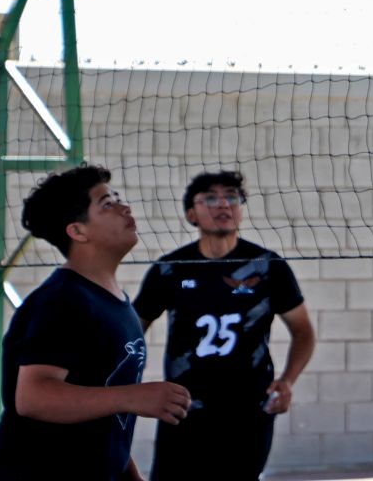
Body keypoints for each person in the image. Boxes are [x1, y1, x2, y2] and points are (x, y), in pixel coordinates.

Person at [0, 164, 191, 481]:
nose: (125, 207)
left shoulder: (114, 301)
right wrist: (133, 396)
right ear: (78, 231)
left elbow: (106, 418)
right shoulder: (62, 300)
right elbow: (33, 397)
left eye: (118, 198)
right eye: (107, 204)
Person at [133, 170, 316, 481]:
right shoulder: (171, 268)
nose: (224, 205)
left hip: (248, 410)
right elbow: (132, 332)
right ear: (192, 213)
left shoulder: (268, 267)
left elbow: (304, 331)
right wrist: (128, 389)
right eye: (211, 198)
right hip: (185, 407)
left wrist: (286, 381)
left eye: (232, 197)